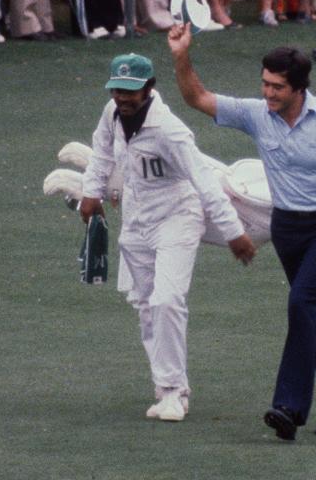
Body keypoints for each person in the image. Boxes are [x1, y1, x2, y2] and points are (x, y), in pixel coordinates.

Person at [167, 32, 316, 441]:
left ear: (299, 88)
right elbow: (197, 99)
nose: (268, 92)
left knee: (302, 299)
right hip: (286, 226)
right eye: (265, 83)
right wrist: (182, 57)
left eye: (277, 87)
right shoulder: (256, 114)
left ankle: (289, 406)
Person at [79, 52, 255, 422]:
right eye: (117, 90)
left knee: (167, 300)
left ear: (149, 88)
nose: (122, 98)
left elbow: (203, 179)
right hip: (136, 218)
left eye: (130, 91)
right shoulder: (111, 114)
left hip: (178, 215)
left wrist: (233, 232)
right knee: (146, 305)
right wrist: (90, 192)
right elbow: (99, 152)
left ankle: (175, 392)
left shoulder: (169, 130)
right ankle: (165, 387)